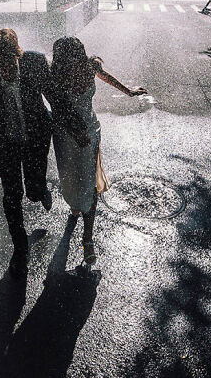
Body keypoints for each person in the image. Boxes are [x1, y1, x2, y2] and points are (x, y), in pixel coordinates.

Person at [0, 29, 85, 278]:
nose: (4, 69)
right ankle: (20, 249)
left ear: (17, 54)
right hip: (7, 143)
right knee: (11, 196)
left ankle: (41, 190)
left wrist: (76, 128)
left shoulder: (34, 62)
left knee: (32, 191)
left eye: (8, 62)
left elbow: (56, 99)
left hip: (36, 138)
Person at [50, 37, 146, 266]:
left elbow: (105, 76)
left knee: (90, 182)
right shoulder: (54, 76)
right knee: (70, 178)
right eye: (69, 58)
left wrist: (128, 91)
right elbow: (55, 107)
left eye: (78, 55)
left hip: (90, 131)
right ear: (62, 60)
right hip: (64, 135)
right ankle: (75, 206)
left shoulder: (90, 65)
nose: (75, 61)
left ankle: (88, 238)